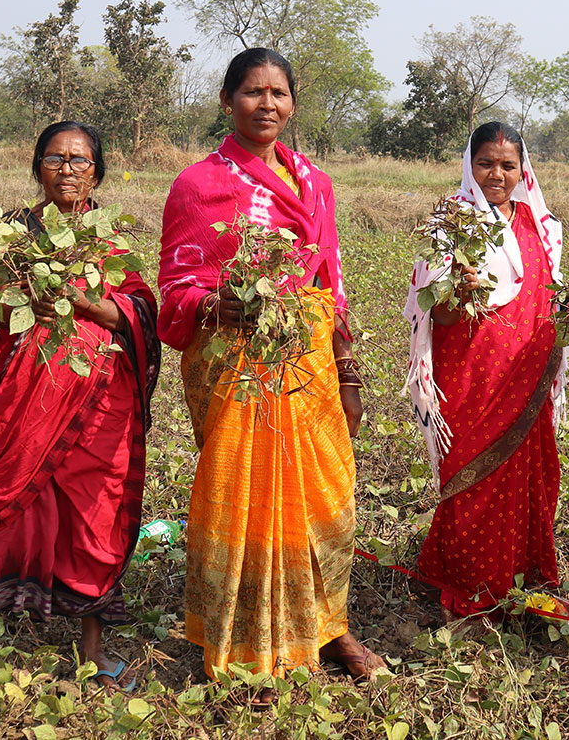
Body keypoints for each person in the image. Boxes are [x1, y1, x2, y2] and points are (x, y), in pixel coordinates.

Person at [157, 47, 383, 682]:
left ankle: (327, 627)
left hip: (308, 360)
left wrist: (347, 370)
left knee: (324, 493)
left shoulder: (315, 181)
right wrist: (213, 304)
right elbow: (176, 285)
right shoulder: (198, 184)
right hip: (238, 362)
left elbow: (331, 282)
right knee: (246, 495)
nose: (267, 104)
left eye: (278, 93)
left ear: (294, 101)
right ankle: (245, 642)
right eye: (253, 92)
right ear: (228, 101)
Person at [0, 121, 160, 689]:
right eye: (55, 157)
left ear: (97, 170)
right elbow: (0, 316)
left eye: (80, 159)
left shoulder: (110, 240)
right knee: (6, 510)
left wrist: (88, 302)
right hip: (25, 395)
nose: (68, 168)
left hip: (100, 398)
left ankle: (93, 650)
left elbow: (141, 311)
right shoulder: (12, 240)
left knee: (94, 511)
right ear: (37, 166)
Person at [404, 121, 569, 622]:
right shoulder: (450, 225)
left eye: (507, 165)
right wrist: (460, 286)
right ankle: (473, 578)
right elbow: (440, 314)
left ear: (523, 170)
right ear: (469, 165)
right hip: (473, 372)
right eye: (485, 163)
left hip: (529, 370)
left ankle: (524, 572)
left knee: (527, 470)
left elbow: (549, 297)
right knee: (473, 471)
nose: (496, 174)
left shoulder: (541, 225)